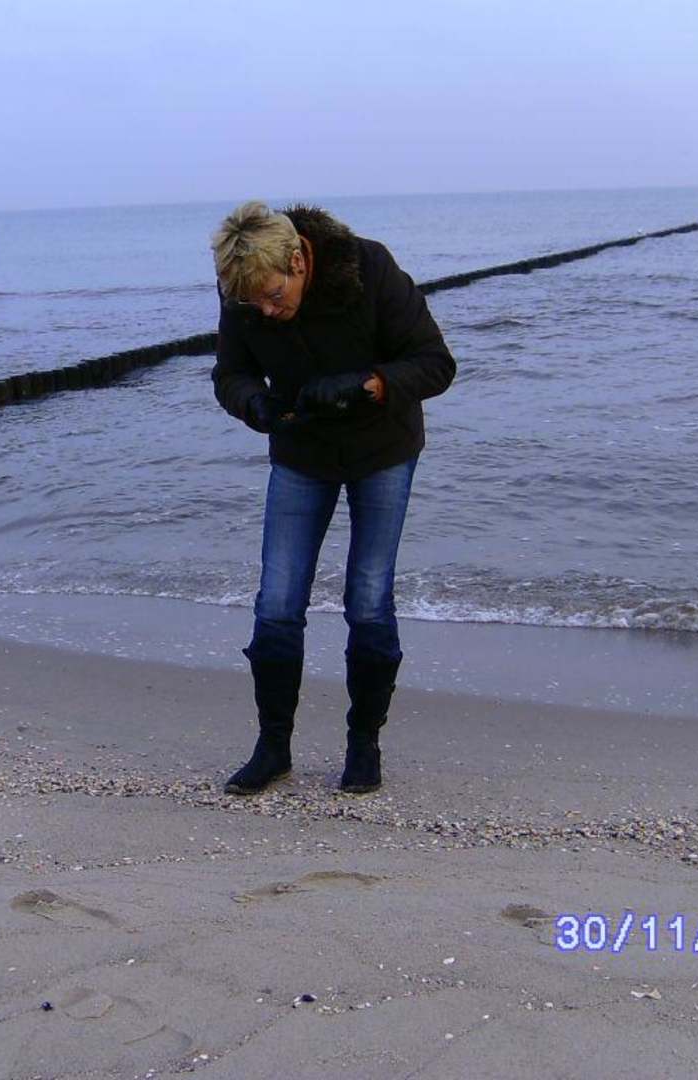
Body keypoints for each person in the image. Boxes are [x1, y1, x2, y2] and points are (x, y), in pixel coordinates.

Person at [209, 201, 455, 795]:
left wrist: (369, 384)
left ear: (298, 261)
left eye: (274, 297)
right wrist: (254, 404)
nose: (267, 312)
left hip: (383, 449)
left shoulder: (369, 268)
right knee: (276, 604)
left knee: (368, 601)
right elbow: (230, 375)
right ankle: (273, 748)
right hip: (301, 453)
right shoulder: (243, 291)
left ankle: (364, 744)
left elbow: (435, 364)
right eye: (254, 305)